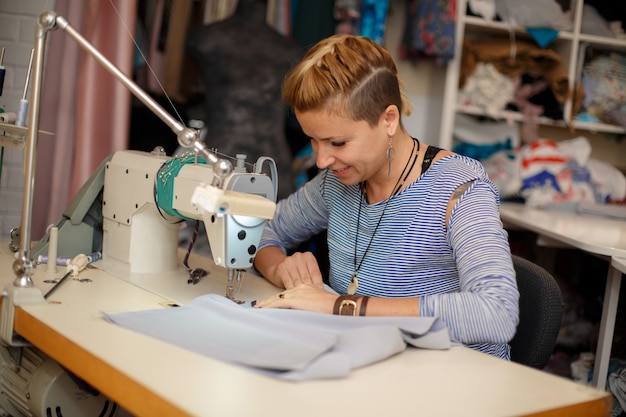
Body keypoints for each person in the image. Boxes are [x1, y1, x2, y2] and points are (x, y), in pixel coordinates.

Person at [252, 34, 519, 360]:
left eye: (337, 143)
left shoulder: (460, 190)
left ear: (388, 119)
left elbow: (497, 312)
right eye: (313, 140)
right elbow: (262, 231)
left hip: (454, 380)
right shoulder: (336, 184)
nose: (321, 160)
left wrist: (341, 306)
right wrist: (281, 269)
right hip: (373, 365)